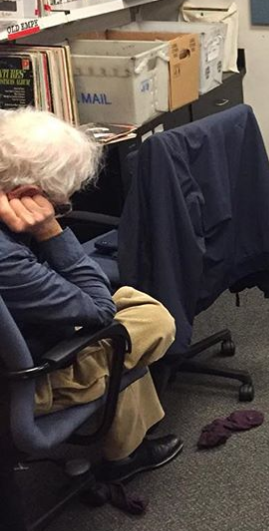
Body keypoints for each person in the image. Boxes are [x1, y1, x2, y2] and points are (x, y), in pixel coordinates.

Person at [0, 108, 183, 482]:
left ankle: (125, 449)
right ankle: (124, 457)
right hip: (20, 385)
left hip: (21, 337)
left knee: (127, 308)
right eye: (62, 204)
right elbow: (99, 310)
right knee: (144, 325)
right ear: (26, 195)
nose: (62, 209)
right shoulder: (7, 258)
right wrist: (50, 230)